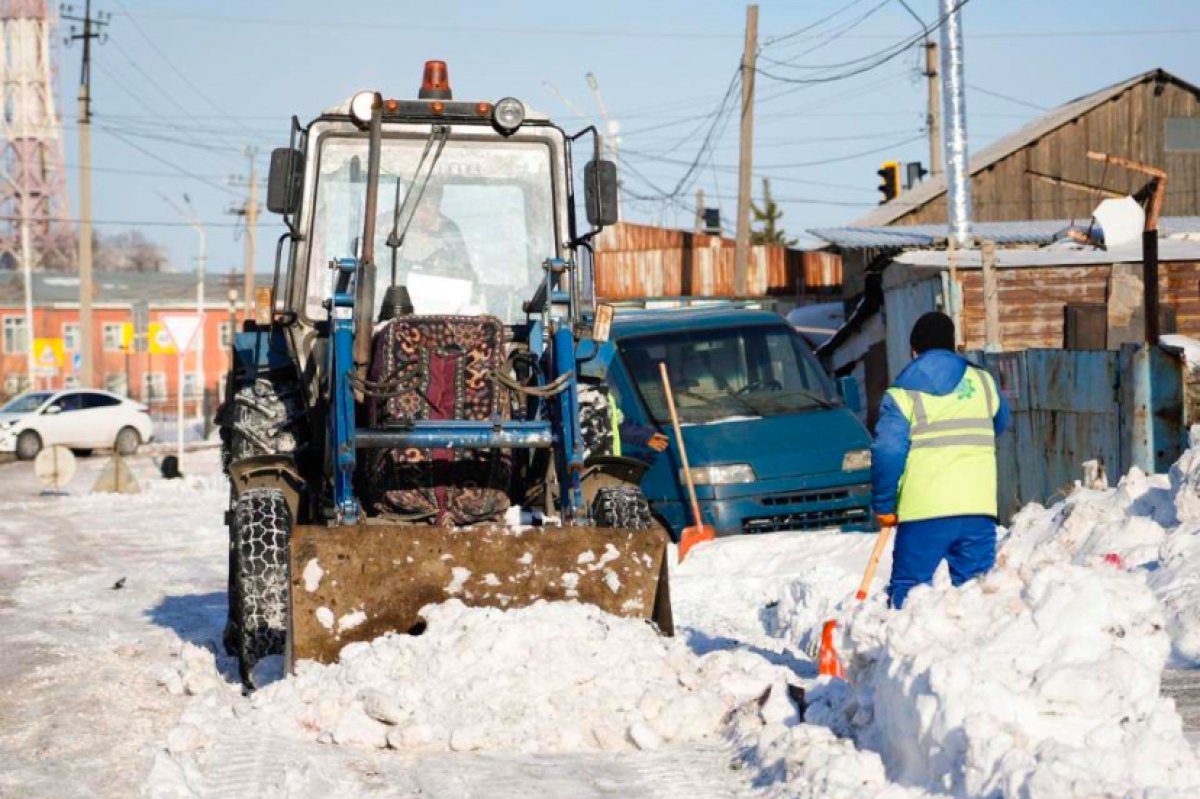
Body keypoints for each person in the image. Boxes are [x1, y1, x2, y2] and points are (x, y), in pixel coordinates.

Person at [871, 311, 1010, 608]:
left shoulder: (901, 393)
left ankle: (902, 652)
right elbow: (998, 424)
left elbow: (888, 451)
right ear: (953, 346)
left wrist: (884, 505)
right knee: (978, 598)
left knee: (908, 599)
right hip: (978, 507)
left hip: (924, 512)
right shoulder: (984, 383)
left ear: (914, 351)